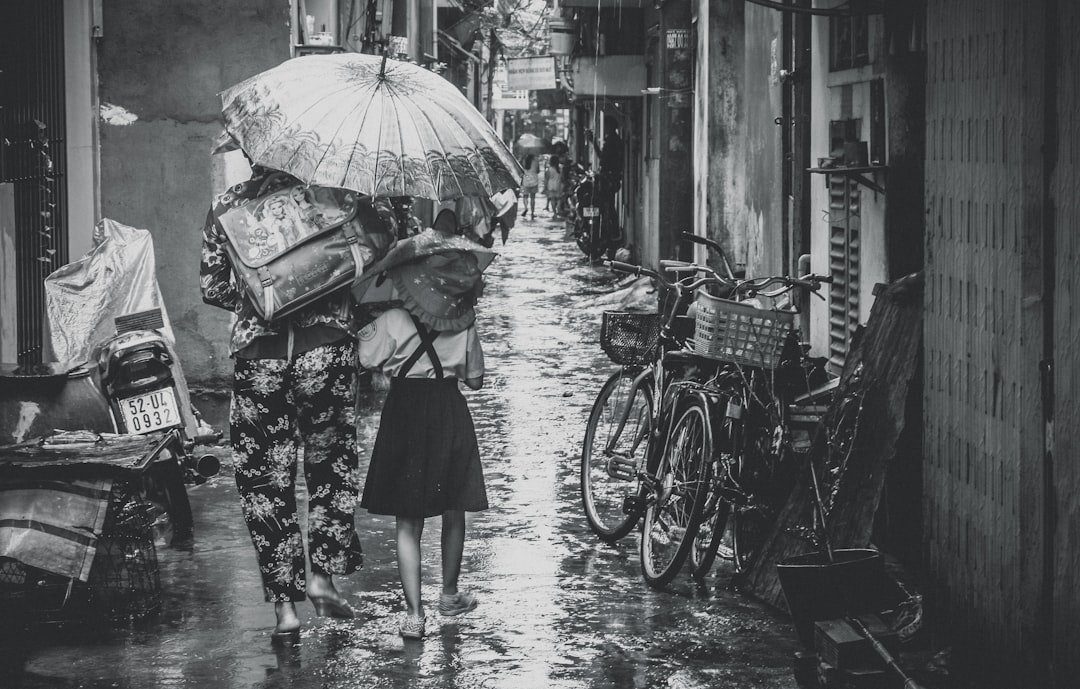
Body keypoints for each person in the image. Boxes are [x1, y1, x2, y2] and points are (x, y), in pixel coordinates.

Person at [200, 167, 367, 644]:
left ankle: (284, 610)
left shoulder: (228, 206)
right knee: (331, 468)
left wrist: (260, 300)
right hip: (325, 348)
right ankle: (322, 579)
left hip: (261, 357)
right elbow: (359, 261)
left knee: (263, 482)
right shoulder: (331, 196)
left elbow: (213, 287)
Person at [355, 210, 490, 641]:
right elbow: (476, 380)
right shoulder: (465, 324)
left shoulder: (393, 321)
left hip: (405, 412)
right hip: (449, 410)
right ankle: (449, 594)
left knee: (408, 519)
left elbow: (364, 359)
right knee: (454, 507)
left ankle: (414, 615)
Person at [585, 117, 624, 243]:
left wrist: (593, 142)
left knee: (607, 205)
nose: (605, 129)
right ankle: (611, 232)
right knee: (609, 205)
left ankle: (611, 233)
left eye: (606, 126)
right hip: (612, 177)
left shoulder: (612, 141)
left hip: (610, 178)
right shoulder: (614, 140)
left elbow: (602, 157)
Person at [519, 153, 540, 219]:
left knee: (525, 196)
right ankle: (532, 213)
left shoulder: (524, 160)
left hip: (526, 181)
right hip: (534, 181)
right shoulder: (536, 161)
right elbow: (538, 171)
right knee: (533, 198)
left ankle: (525, 208)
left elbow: (521, 170)